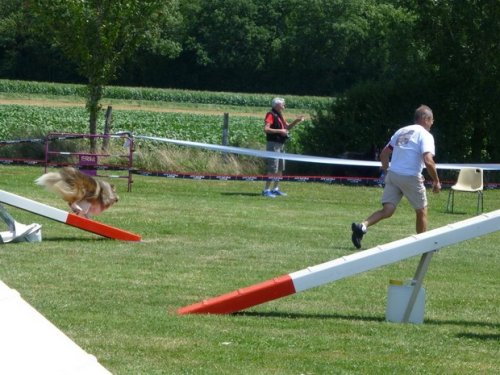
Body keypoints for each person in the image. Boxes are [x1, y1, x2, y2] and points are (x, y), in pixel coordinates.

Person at [351, 104, 441, 249]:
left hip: (394, 175)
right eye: (431, 120)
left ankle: (362, 226)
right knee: (421, 210)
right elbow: (428, 160)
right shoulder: (426, 135)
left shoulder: (402, 131)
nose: (432, 123)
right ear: (425, 119)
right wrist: (436, 181)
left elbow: (384, 154)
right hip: (410, 177)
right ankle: (423, 245)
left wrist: (387, 171)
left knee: (387, 210)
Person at [262, 97, 304, 197]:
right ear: (277, 105)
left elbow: (287, 127)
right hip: (273, 144)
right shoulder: (270, 114)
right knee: (273, 168)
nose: (284, 104)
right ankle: (266, 190)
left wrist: (296, 121)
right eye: (282, 103)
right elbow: (266, 129)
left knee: (280, 168)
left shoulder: (280, 115)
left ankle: (275, 189)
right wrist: (280, 131)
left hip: (281, 144)